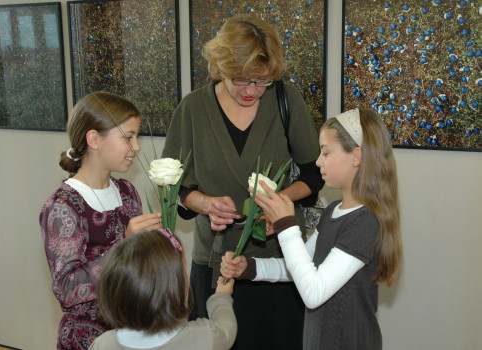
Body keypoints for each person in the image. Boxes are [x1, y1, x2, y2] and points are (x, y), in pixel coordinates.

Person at [162, 15, 324, 350]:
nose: (251, 90)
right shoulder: (192, 109)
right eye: (240, 79)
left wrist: (278, 203)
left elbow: (314, 174)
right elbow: (176, 187)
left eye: (261, 81)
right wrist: (206, 204)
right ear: (220, 66)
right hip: (215, 263)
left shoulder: (285, 100)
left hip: (277, 262)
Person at [221, 108, 403, 349]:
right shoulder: (334, 210)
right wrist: (251, 267)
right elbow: (302, 268)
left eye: (326, 152)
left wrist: (286, 224)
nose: (318, 161)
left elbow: (313, 293)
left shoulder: (365, 221)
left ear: (356, 156)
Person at [39, 92, 162, 350]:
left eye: (136, 137)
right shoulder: (63, 206)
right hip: (88, 339)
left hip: (131, 332)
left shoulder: (127, 192)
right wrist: (124, 244)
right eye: (128, 137)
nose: (137, 147)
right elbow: (67, 289)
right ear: (94, 139)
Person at [88, 229, 237, 350]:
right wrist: (221, 296)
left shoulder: (102, 345)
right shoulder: (204, 336)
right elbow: (227, 329)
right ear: (174, 286)